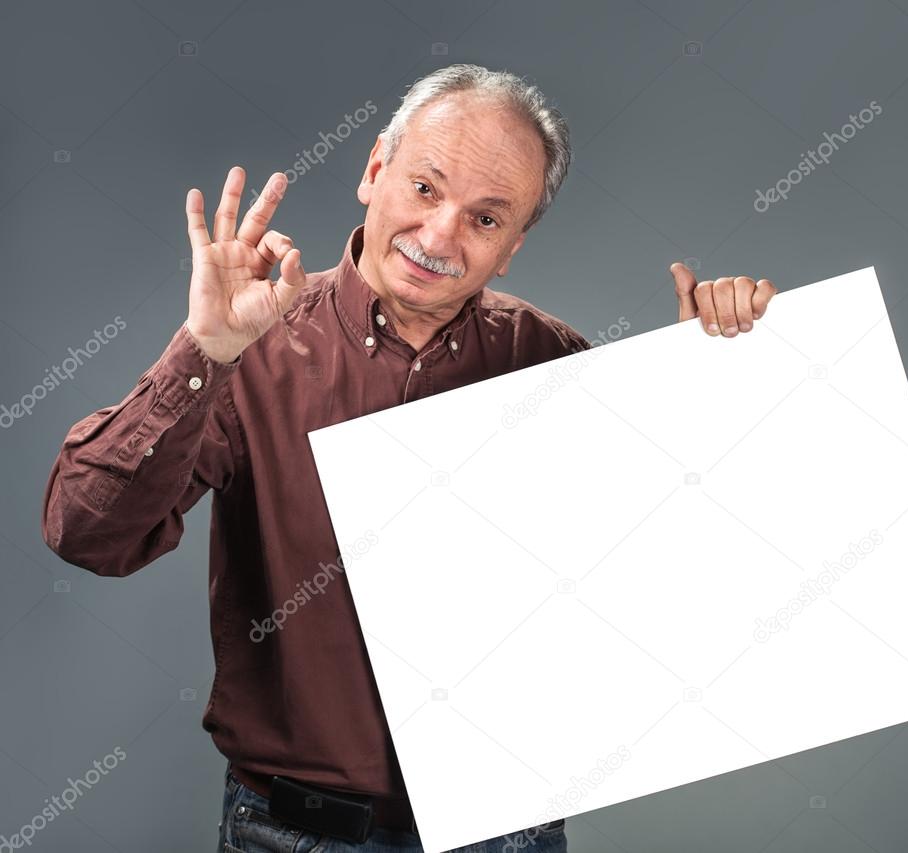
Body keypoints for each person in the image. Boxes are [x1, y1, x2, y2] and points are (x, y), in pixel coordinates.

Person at [41, 63, 776, 852]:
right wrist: (203, 351)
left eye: (486, 219)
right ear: (374, 171)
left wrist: (728, 374)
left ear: (515, 245)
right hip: (293, 835)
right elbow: (84, 533)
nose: (439, 238)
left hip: (509, 833)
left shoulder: (552, 360)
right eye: (427, 189)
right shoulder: (254, 342)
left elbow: (681, 572)